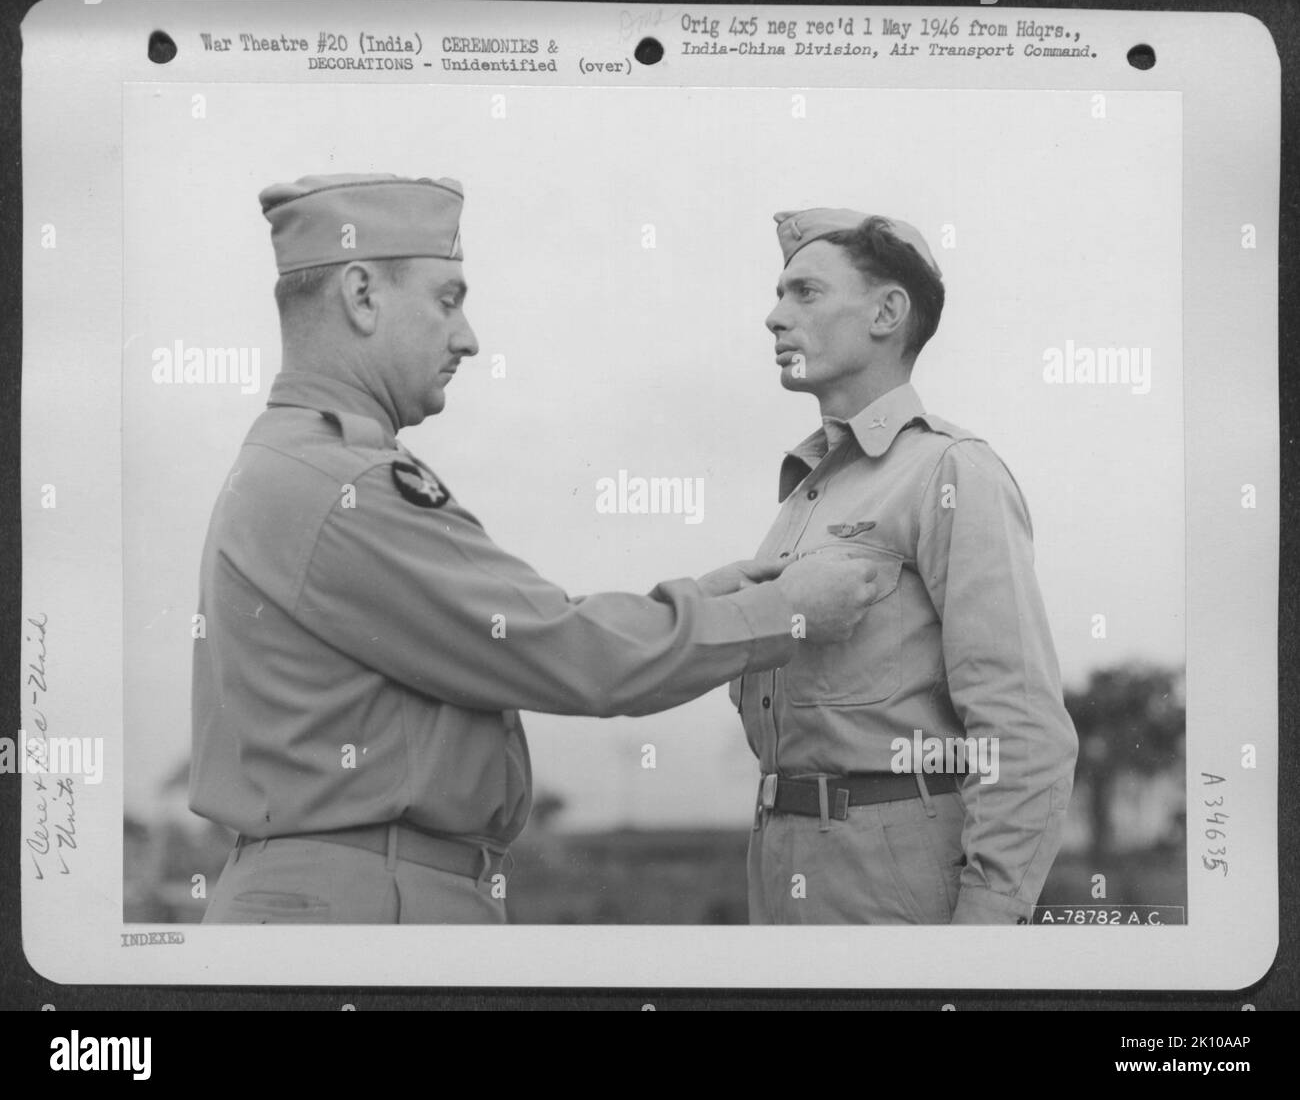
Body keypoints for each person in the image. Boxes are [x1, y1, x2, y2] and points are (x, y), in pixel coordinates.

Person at [189, 173, 878, 925]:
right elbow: (564, 649)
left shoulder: (302, 465)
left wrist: (715, 597)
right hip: (363, 906)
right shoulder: (341, 481)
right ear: (361, 295)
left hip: (350, 896)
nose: (468, 337)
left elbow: (522, 624)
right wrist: (784, 612)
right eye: (447, 299)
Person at [734, 207, 1078, 925]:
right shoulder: (804, 489)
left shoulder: (950, 470)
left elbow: (1020, 726)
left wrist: (987, 923)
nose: (774, 317)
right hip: (779, 858)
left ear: (888, 312)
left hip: (891, 872)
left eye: (805, 293)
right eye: (778, 294)